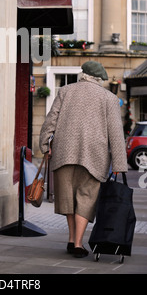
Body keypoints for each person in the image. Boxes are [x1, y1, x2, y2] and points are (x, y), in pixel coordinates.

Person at [39, 61, 128, 258]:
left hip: (64, 153)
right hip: (94, 157)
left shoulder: (65, 91)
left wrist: (45, 145)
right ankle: (78, 243)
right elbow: (115, 133)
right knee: (86, 199)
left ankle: (72, 240)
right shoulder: (109, 98)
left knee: (68, 199)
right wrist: (119, 164)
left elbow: (50, 121)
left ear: (83, 74)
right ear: (99, 79)